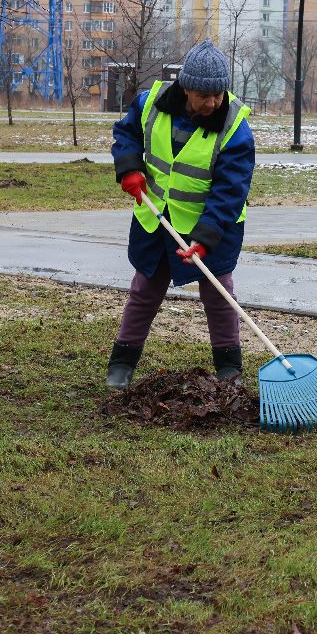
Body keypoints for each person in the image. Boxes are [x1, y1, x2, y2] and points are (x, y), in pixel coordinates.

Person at [105, 41, 256, 388]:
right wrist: (129, 168)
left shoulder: (235, 128)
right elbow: (125, 134)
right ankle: (122, 363)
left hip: (213, 224)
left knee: (219, 292)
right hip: (157, 219)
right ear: (186, 87)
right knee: (145, 289)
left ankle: (229, 368)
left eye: (219, 94)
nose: (213, 102)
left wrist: (204, 238)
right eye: (205, 95)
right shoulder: (151, 105)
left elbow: (231, 190)